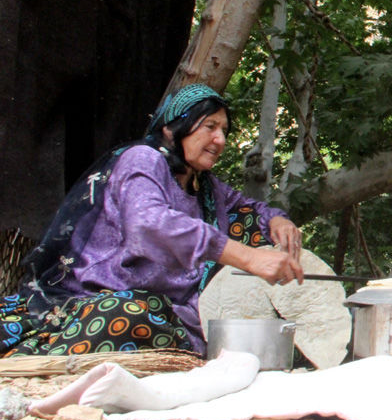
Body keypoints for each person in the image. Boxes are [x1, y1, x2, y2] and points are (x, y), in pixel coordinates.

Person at [1, 84, 305, 357]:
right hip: (105, 300)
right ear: (173, 129)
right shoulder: (142, 159)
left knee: (206, 319)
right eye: (210, 126)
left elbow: (250, 210)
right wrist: (248, 258)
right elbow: (150, 224)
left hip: (169, 310)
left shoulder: (207, 187)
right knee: (123, 316)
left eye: (224, 130)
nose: (220, 139)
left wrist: (278, 220)